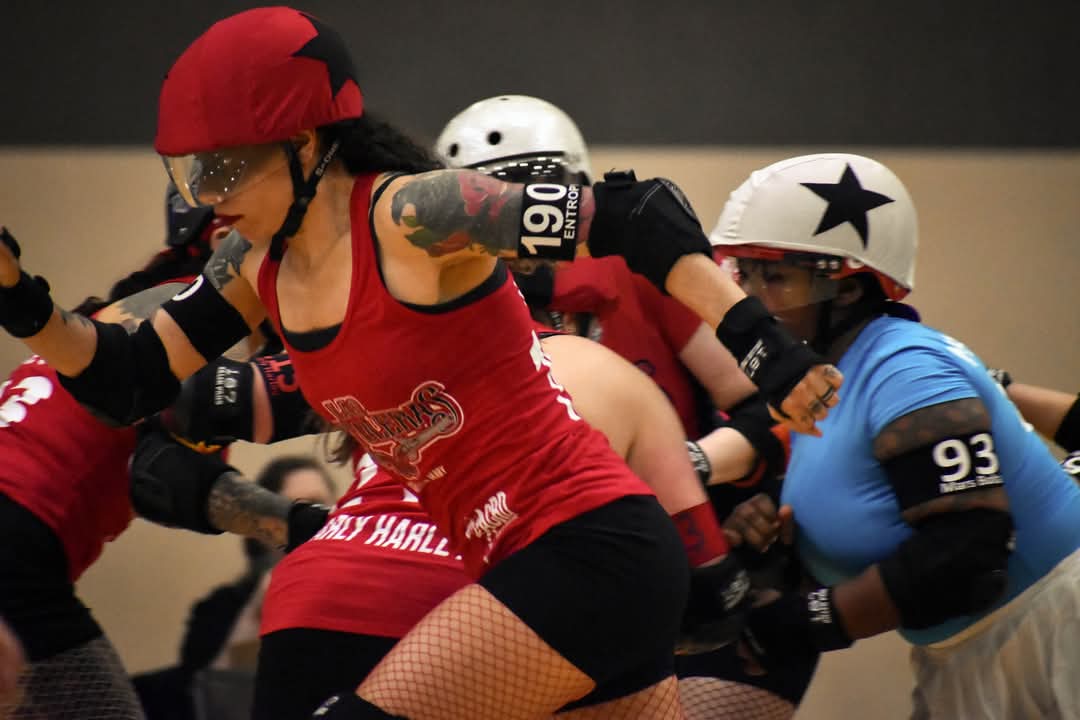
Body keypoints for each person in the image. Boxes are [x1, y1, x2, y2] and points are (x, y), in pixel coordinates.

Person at [0, 8, 841, 717]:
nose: (206, 196)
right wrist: (22, 301)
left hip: (587, 551)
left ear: (302, 143)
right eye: (192, 173)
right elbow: (125, 380)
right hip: (541, 566)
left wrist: (769, 352)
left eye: (222, 167)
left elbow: (638, 214)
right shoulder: (255, 269)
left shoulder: (414, 216)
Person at [130, 326, 778, 720]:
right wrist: (759, 560)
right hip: (480, 601)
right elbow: (705, 596)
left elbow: (184, 418)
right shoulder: (610, 371)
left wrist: (298, 522)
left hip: (319, 590)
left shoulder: (390, 355)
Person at [703, 152, 1080, 718]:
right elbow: (895, 523)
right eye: (744, 274)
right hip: (977, 650)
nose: (753, 302)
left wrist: (809, 624)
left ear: (848, 289)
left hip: (1054, 637)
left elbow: (968, 554)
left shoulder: (905, 367)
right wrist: (784, 550)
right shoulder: (825, 378)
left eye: (775, 277)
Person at [0, 192, 235, 719]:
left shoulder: (134, 313)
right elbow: (165, 482)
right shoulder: (192, 317)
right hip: (17, 544)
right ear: (223, 239)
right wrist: (303, 527)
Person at [434, 94, 757, 438]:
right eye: (491, 212)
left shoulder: (636, 265)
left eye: (535, 204)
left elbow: (754, 404)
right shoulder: (450, 305)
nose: (518, 230)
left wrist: (690, 460)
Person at [132, 456, 336, 720]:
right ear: (261, 530)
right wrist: (255, 613)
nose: (308, 522)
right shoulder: (220, 608)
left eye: (319, 507)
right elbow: (205, 693)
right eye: (294, 511)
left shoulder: (355, 596)